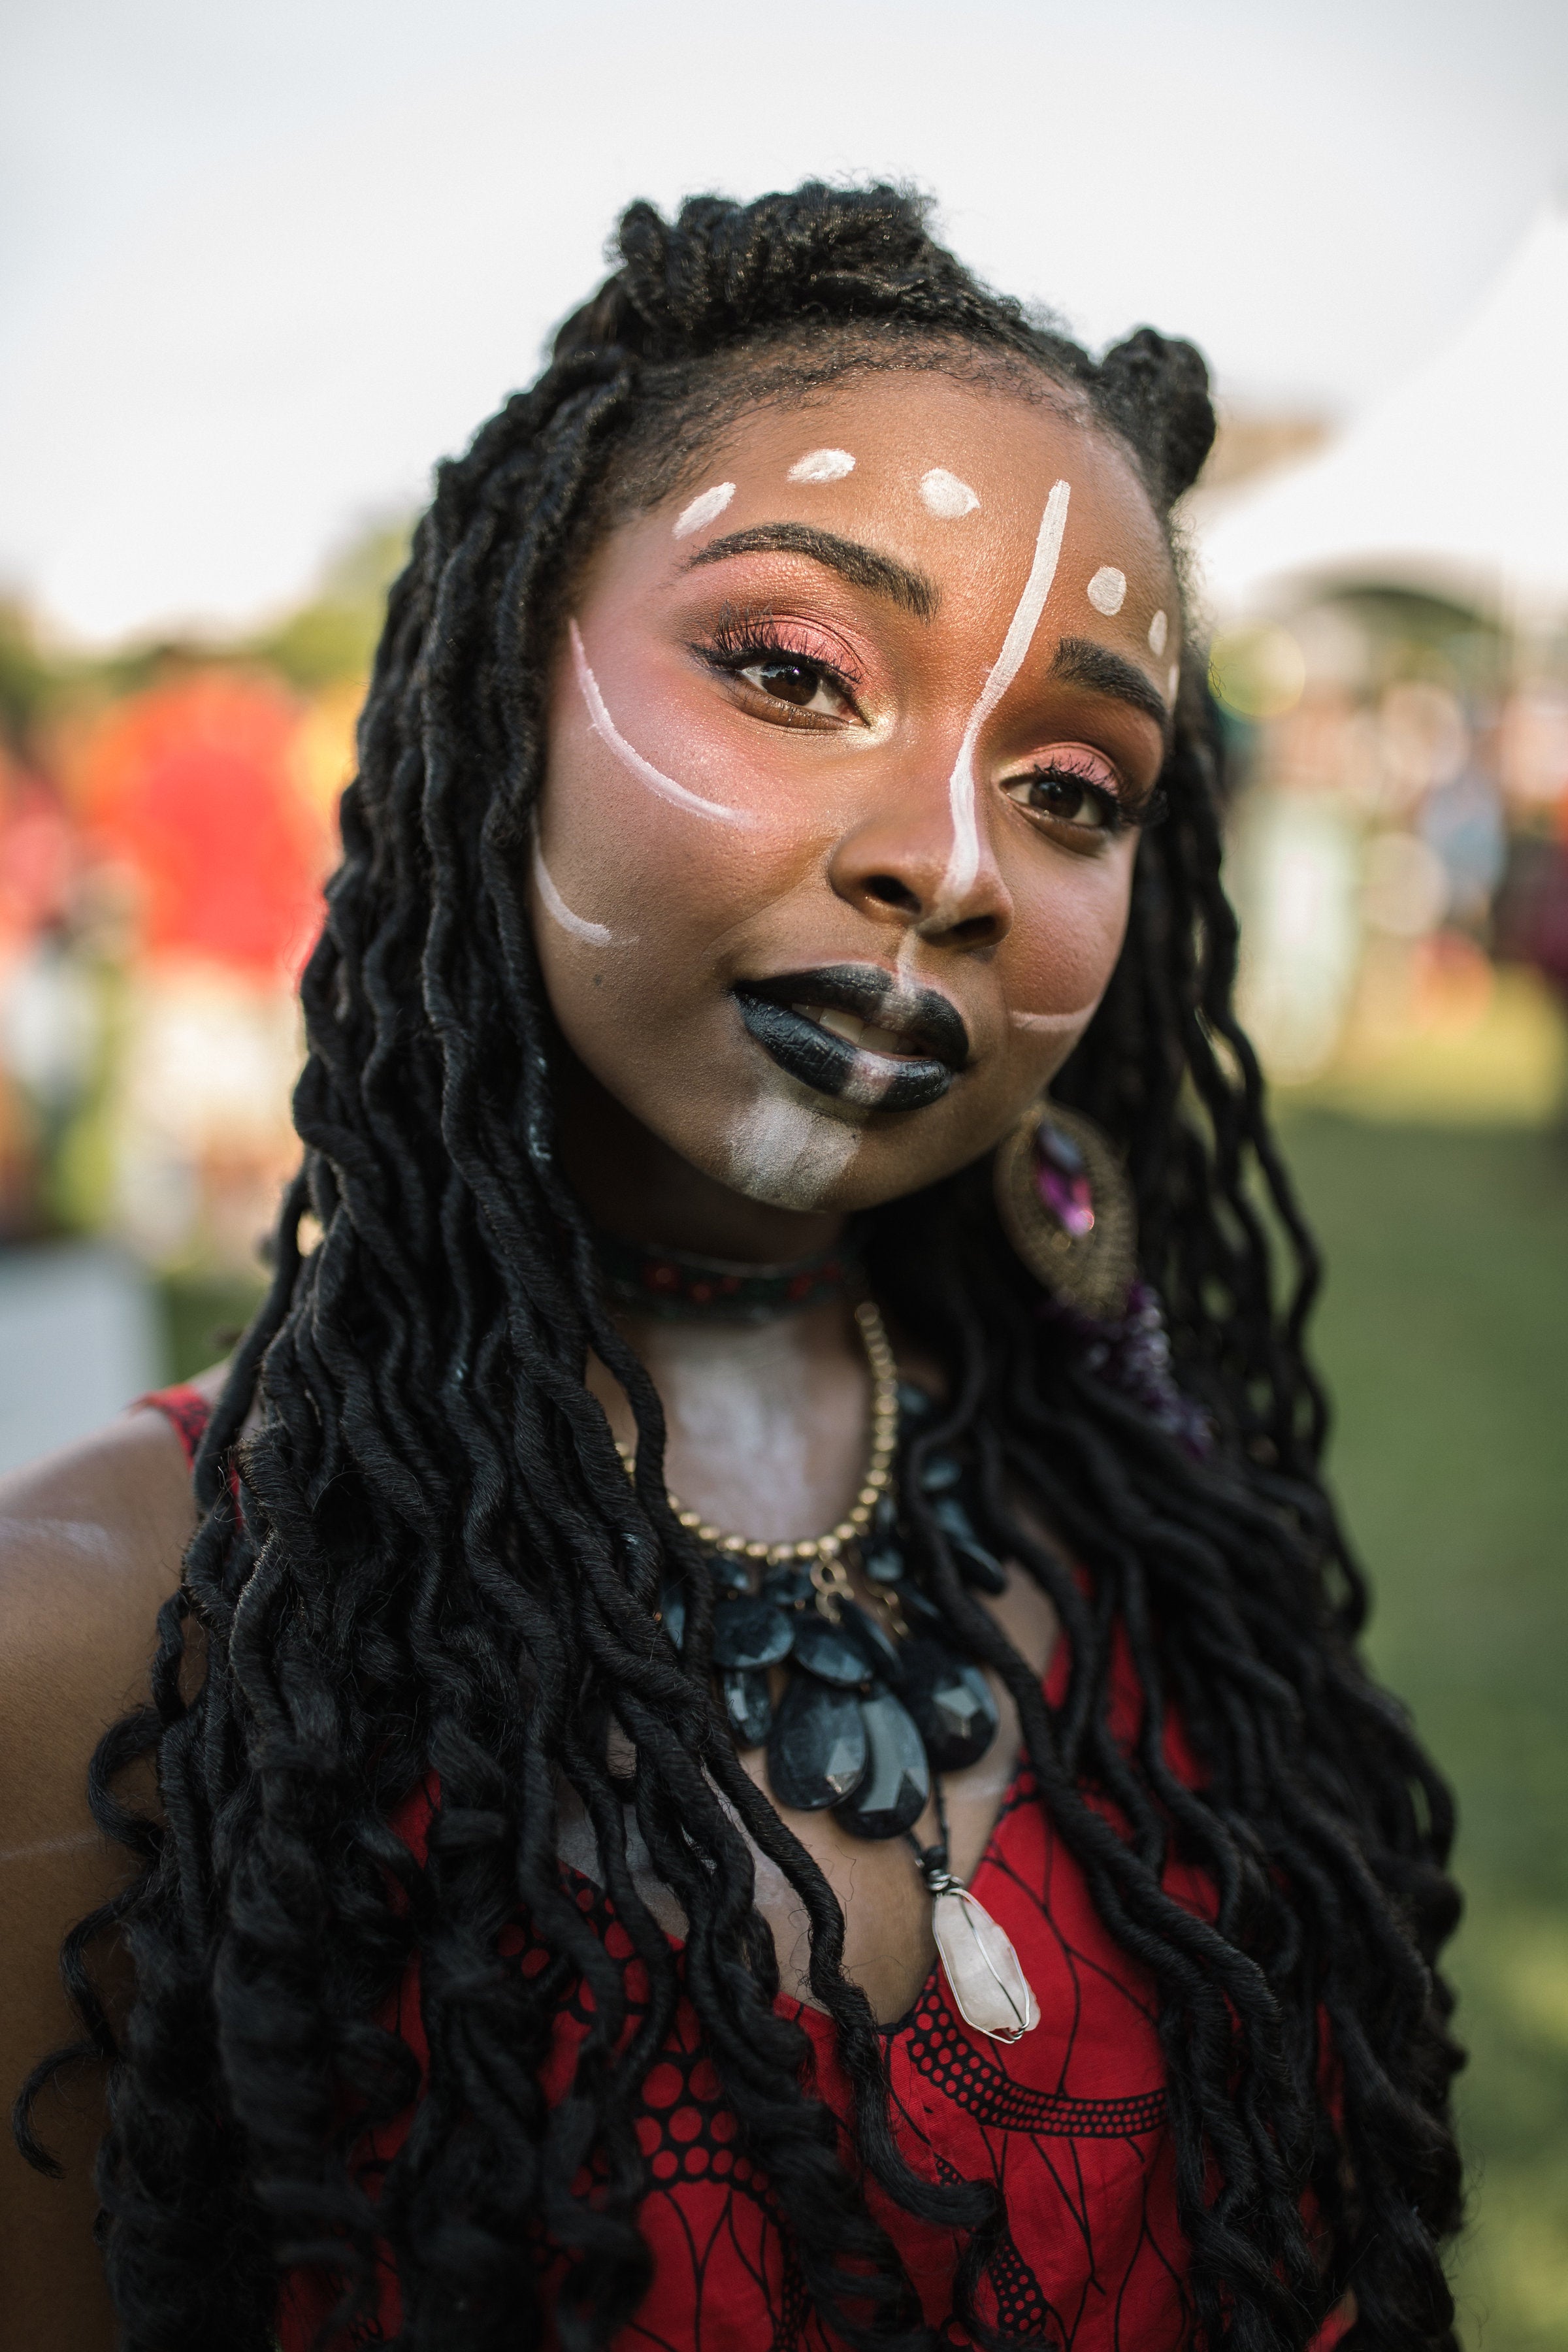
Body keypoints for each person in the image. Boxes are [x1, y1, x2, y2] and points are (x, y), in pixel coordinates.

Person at [1, 185, 1462, 2351]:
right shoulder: (104, 1635)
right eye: (793, 670)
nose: (948, 860)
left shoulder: (1173, 1560)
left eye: (1075, 787)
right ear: (503, 697)